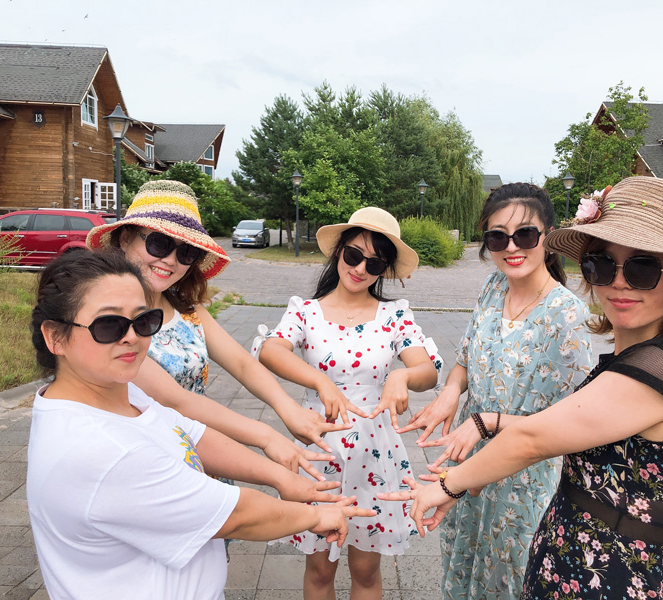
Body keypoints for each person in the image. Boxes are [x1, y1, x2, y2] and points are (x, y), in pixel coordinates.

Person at [381, 176, 663, 600]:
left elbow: (534, 439)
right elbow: (572, 428)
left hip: (607, 579)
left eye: (643, 267)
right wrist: (473, 415)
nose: (618, 282)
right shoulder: (646, 356)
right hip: (570, 560)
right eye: (601, 264)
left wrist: (446, 484)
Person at [26, 250, 377, 600]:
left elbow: (190, 433)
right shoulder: (104, 452)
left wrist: (281, 476)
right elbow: (237, 515)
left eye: (144, 320)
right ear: (55, 337)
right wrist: (316, 517)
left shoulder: (117, 392)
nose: (131, 336)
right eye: (109, 325)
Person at [87, 180, 347, 497]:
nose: (170, 260)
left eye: (186, 252)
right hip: (147, 466)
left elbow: (241, 362)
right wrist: (267, 437)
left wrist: (288, 407)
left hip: (204, 454)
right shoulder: (109, 320)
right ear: (125, 238)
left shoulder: (185, 307)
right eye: (159, 243)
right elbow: (174, 400)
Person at [398, 182, 593, 599]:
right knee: (462, 563)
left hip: (523, 476)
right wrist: (450, 393)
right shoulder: (493, 288)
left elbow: (573, 423)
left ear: (548, 237)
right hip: (467, 460)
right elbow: (465, 359)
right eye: (498, 237)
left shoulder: (568, 315)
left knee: (509, 578)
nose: (512, 247)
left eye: (525, 234)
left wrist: (488, 423)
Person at [254, 206, 442, 600]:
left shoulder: (394, 315)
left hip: (374, 452)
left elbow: (427, 370)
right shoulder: (306, 311)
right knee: (320, 568)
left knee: (366, 569)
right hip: (321, 449)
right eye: (353, 255)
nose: (359, 269)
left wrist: (401, 376)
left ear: (384, 270)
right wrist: (319, 381)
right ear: (339, 250)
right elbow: (270, 350)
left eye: (374, 263)